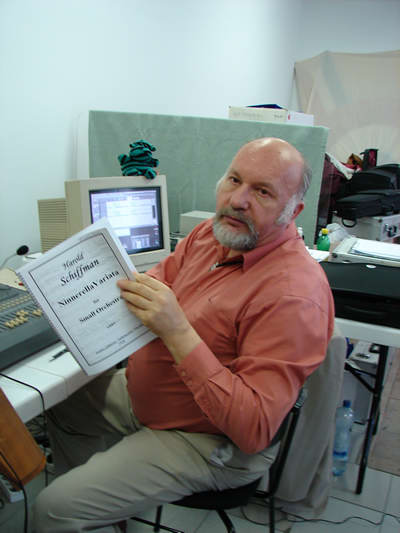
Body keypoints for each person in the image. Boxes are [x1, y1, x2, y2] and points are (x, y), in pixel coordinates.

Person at [33, 137, 334, 533]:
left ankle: (79, 511)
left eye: (262, 191)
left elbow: (254, 428)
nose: (237, 200)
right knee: (60, 401)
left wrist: (177, 330)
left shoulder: (294, 295)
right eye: (234, 179)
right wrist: (76, 295)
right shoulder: (214, 235)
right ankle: (102, 515)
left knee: (53, 509)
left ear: (293, 211)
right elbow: (157, 281)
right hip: (153, 399)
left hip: (208, 439)